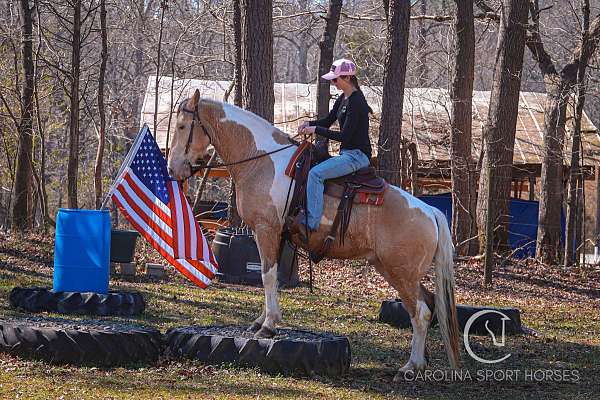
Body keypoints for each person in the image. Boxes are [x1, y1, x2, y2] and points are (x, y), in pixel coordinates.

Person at [292, 58, 373, 241]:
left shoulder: (356, 102)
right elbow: (328, 121)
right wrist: (309, 124)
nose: (332, 83)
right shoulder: (343, 98)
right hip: (347, 154)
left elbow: (344, 136)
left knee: (315, 174)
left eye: (335, 80)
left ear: (346, 77)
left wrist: (316, 130)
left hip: (357, 157)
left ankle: (312, 225)